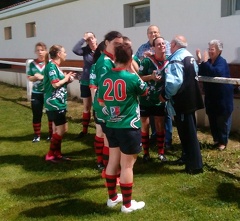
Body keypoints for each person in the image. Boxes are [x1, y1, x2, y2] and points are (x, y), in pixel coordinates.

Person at [98, 44, 147, 213]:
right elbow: (145, 91)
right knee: (127, 166)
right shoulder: (131, 78)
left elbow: (101, 100)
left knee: (112, 161)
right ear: (129, 59)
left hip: (111, 124)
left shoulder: (104, 77)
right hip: (128, 126)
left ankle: (112, 198)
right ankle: (127, 205)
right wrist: (133, 70)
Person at [160, 35, 204, 175]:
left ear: (173, 44)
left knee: (188, 133)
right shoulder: (189, 56)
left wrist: (165, 95)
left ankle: (195, 165)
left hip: (183, 101)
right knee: (186, 131)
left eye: (170, 44)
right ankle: (186, 157)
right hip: (191, 99)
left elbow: (174, 83)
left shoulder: (176, 59)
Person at [89, 31, 123, 170]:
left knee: (107, 138)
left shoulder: (111, 60)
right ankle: (108, 167)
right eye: (116, 44)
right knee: (109, 139)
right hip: (106, 108)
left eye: (121, 45)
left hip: (106, 107)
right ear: (107, 43)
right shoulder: (104, 63)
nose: (119, 47)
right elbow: (103, 89)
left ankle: (105, 165)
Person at [135, 25, 172, 146]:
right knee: (148, 121)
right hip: (147, 94)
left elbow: (170, 62)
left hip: (162, 93)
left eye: (155, 32)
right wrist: (150, 75)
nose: (153, 34)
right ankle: (152, 141)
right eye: (150, 32)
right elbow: (136, 65)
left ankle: (166, 142)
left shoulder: (166, 45)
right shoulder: (142, 48)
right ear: (147, 35)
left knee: (164, 119)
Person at [196, 40, 234, 151]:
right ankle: (216, 140)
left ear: (219, 51)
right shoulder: (209, 61)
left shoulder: (222, 62)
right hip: (211, 97)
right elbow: (201, 71)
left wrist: (204, 61)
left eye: (212, 49)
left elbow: (215, 72)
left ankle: (223, 142)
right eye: (209, 49)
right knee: (212, 118)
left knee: (222, 120)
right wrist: (200, 61)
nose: (209, 51)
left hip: (222, 98)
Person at [138, 37, 169, 162]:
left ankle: (161, 153)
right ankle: (146, 153)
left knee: (160, 125)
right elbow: (139, 77)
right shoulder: (146, 61)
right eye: (158, 44)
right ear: (153, 48)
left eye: (163, 43)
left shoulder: (169, 61)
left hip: (160, 99)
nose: (161, 46)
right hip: (145, 98)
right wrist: (150, 77)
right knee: (145, 125)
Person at [44, 45, 76, 161]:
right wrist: (66, 78)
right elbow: (55, 84)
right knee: (62, 130)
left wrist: (68, 79)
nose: (66, 54)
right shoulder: (52, 66)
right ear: (58, 54)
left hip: (59, 102)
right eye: (64, 52)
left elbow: (60, 83)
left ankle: (57, 153)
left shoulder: (56, 67)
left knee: (59, 130)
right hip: (54, 103)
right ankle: (50, 154)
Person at [72, 32, 98, 138]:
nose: (90, 40)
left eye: (92, 38)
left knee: (97, 106)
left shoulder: (100, 50)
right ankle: (84, 130)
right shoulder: (85, 51)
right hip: (86, 81)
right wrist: (83, 38)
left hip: (97, 82)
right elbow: (75, 49)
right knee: (86, 106)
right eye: (88, 39)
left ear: (95, 39)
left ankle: (99, 130)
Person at [27, 42, 53, 142]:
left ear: (46, 51)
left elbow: (52, 77)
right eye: (38, 50)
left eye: (42, 50)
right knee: (36, 114)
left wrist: (42, 77)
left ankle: (50, 135)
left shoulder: (50, 63)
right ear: (35, 52)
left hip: (48, 93)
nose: (40, 52)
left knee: (50, 114)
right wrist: (35, 77)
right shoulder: (32, 64)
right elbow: (29, 77)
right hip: (36, 93)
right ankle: (37, 135)